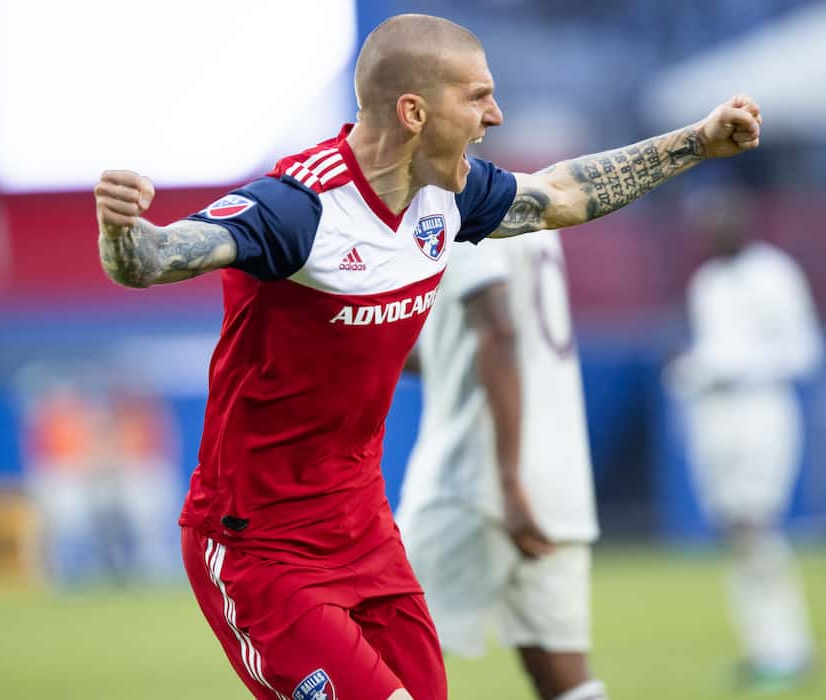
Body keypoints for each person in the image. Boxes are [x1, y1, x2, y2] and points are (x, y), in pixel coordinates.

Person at [93, 13, 762, 700]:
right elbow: (151, 260)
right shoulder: (298, 210)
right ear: (413, 111)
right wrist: (121, 229)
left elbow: (560, 195)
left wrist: (697, 144)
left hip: (364, 535)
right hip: (259, 548)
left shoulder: (445, 198)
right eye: (477, 97)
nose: (495, 116)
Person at [397, 230, 604, 700]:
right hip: (557, 475)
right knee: (562, 673)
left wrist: (509, 482)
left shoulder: (465, 206)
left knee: (379, 655)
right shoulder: (533, 208)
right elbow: (456, 351)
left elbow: (499, 330)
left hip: (478, 478)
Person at [666, 187, 822, 690]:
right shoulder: (706, 282)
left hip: (760, 410)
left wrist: (735, 369)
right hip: (714, 417)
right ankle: (764, 648)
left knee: (757, 525)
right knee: (736, 531)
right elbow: (710, 349)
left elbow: (802, 352)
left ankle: (788, 648)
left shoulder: (772, 273)